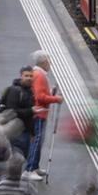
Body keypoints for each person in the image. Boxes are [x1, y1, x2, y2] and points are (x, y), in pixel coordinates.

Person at [26, 51, 64, 181]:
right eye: (48, 60)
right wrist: (56, 99)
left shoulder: (37, 74)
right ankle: (29, 169)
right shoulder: (40, 76)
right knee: (36, 141)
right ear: (43, 62)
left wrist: (51, 93)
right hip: (39, 113)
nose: (50, 63)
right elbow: (40, 97)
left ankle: (35, 166)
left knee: (38, 141)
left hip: (40, 112)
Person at [0, 67, 37, 160]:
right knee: (16, 159)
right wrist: (31, 110)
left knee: (23, 158)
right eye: (26, 76)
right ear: (21, 76)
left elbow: (30, 117)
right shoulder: (15, 91)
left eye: (31, 76)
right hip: (15, 132)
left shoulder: (30, 91)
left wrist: (32, 133)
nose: (29, 78)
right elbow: (12, 111)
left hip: (25, 132)